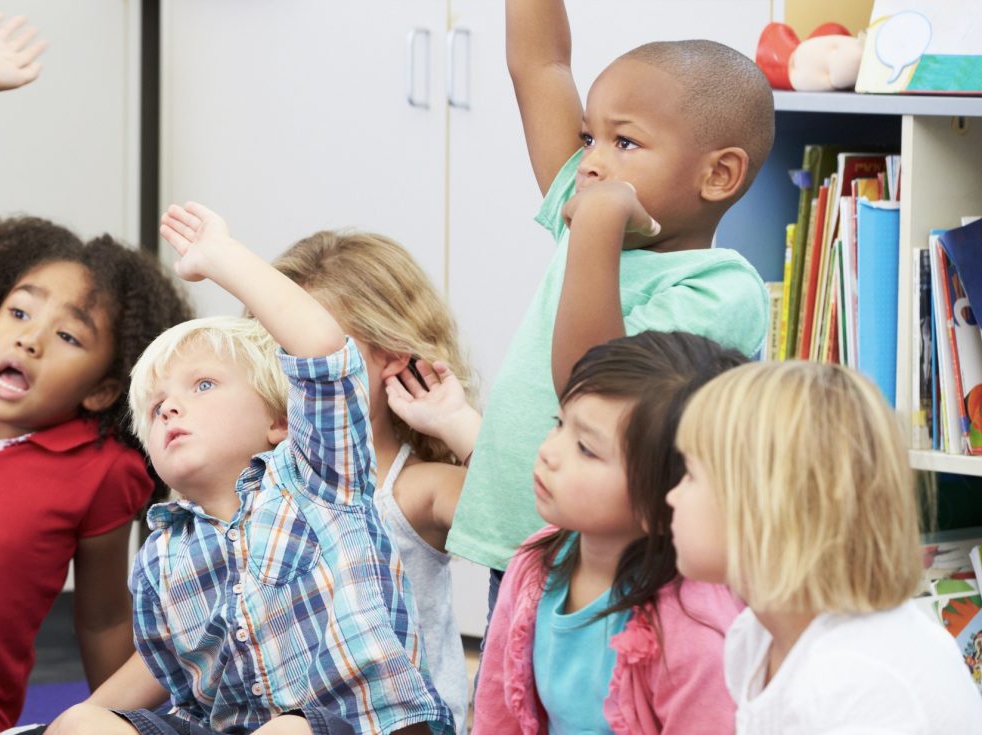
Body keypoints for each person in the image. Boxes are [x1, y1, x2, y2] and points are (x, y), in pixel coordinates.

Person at [0, 14, 192, 732]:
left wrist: (104, 718)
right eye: (19, 313)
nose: (29, 340)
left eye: (66, 335)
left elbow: (105, 615)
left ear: (102, 388)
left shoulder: (104, 469)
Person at [46, 202, 452, 735]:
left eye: (204, 385)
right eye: (156, 404)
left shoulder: (318, 479)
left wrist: (221, 257)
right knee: (81, 724)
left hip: (364, 726)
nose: (170, 407)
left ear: (281, 419)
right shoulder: (161, 557)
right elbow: (164, 673)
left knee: (288, 730)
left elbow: (323, 349)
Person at [445, 0, 774, 618]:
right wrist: (596, 216)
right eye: (589, 138)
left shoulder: (720, 288)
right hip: (523, 548)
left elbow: (591, 391)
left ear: (719, 175)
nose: (592, 161)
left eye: (624, 141)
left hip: (621, 568)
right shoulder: (594, 206)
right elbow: (541, 65)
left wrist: (594, 224)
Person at [671, 361, 982, 732]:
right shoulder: (753, 638)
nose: (672, 496)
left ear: (767, 505)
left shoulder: (855, 679)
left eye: (690, 474)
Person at [474, 332, 747, 733]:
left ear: (664, 496)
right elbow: (496, 713)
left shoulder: (693, 635)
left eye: (586, 448)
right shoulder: (534, 563)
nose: (549, 451)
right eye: (559, 424)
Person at [272, 231, 480, 733]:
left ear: (390, 355)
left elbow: (524, 517)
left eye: (315, 349)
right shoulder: (261, 484)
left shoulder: (413, 490)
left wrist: (455, 421)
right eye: (277, 346)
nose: (298, 370)